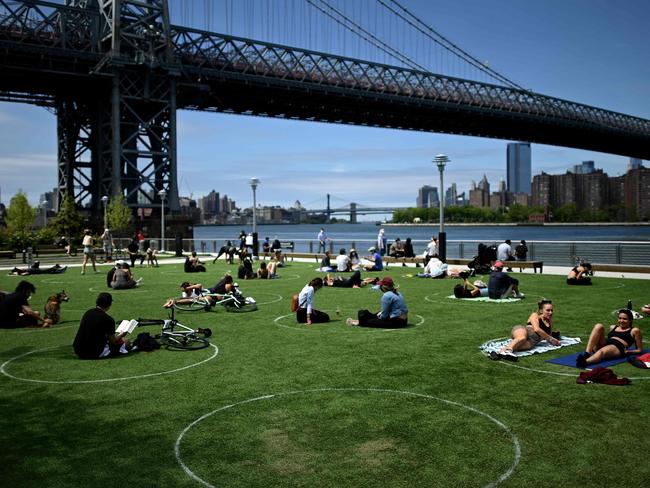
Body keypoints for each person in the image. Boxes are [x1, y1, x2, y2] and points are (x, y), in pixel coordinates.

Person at [490, 299, 560, 361]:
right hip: (523, 331)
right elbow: (537, 329)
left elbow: (548, 336)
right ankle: (507, 351)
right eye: (548, 310)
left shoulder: (550, 322)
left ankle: (499, 353)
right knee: (522, 338)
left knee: (518, 347)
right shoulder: (535, 315)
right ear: (541, 310)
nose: (550, 312)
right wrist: (551, 339)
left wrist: (555, 339)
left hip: (532, 342)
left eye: (551, 310)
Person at [576, 309, 643, 368]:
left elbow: (639, 350)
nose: (621, 321)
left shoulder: (634, 330)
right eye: (620, 318)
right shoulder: (613, 327)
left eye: (625, 319)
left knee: (602, 351)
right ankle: (587, 353)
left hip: (618, 347)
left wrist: (629, 351)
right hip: (607, 343)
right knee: (599, 326)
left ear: (630, 320)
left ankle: (585, 362)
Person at [73, 292, 130, 359]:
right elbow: (113, 341)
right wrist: (121, 335)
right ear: (109, 304)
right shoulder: (108, 319)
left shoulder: (88, 312)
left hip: (78, 350)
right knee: (126, 342)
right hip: (94, 352)